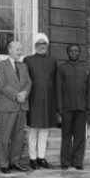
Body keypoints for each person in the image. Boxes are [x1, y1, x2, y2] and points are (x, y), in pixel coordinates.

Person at [0, 41, 32, 174]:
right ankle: (3, 164)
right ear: (9, 50)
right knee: (4, 137)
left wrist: (25, 94)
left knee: (18, 137)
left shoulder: (23, 66)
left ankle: (15, 162)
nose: (20, 52)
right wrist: (17, 95)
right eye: (17, 49)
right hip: (7, 106)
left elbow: (29, 83)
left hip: (22, 106)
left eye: (21, 50)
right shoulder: (1, 65)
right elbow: (1, 85)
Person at [23, 33, 57, 170]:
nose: (42, 46)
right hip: (34, 99)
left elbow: (55, 80)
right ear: (35, 45)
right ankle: (32, 159)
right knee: (33, 130)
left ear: (47, 46)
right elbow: (25, 80)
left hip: (48, 99)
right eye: (39, 44)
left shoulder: (52, 60)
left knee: (44, 130)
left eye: (44, 44)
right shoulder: (28, 59)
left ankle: (41, 157)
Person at [57, 44, 90, 170]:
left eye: (76, 51)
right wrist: (59, 106)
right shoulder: (62, 68)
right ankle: (65, 162)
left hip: (81, 107)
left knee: (79, 136)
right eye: (71, 51)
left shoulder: (86, 67)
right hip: (67, 107)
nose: (73, 53)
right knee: (66, 135)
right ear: (67, 53)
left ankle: (77, 162)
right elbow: (58, 89)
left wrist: (89, 106)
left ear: (79, 52)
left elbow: (89, 88)